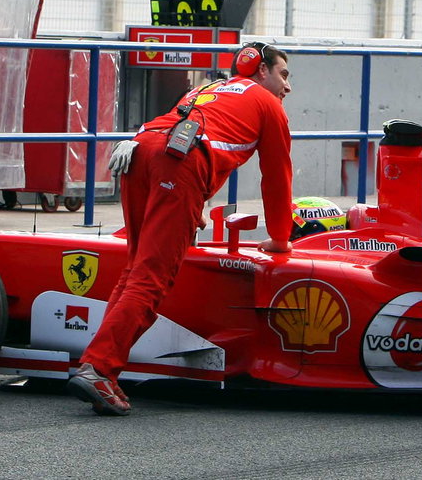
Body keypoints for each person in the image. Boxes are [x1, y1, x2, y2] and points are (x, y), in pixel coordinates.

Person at [67, 42, 296, 416]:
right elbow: (276, 178)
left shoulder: (208, 87)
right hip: (178, 161)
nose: (287, 86)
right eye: (283, 75)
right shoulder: (268, 104)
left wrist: (192, 203)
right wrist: (281, 238)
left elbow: (197, 134)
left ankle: (98, 363)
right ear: (260, 70)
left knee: (135, 269)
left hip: (139, 148)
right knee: (151, 278)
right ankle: (99, 368)